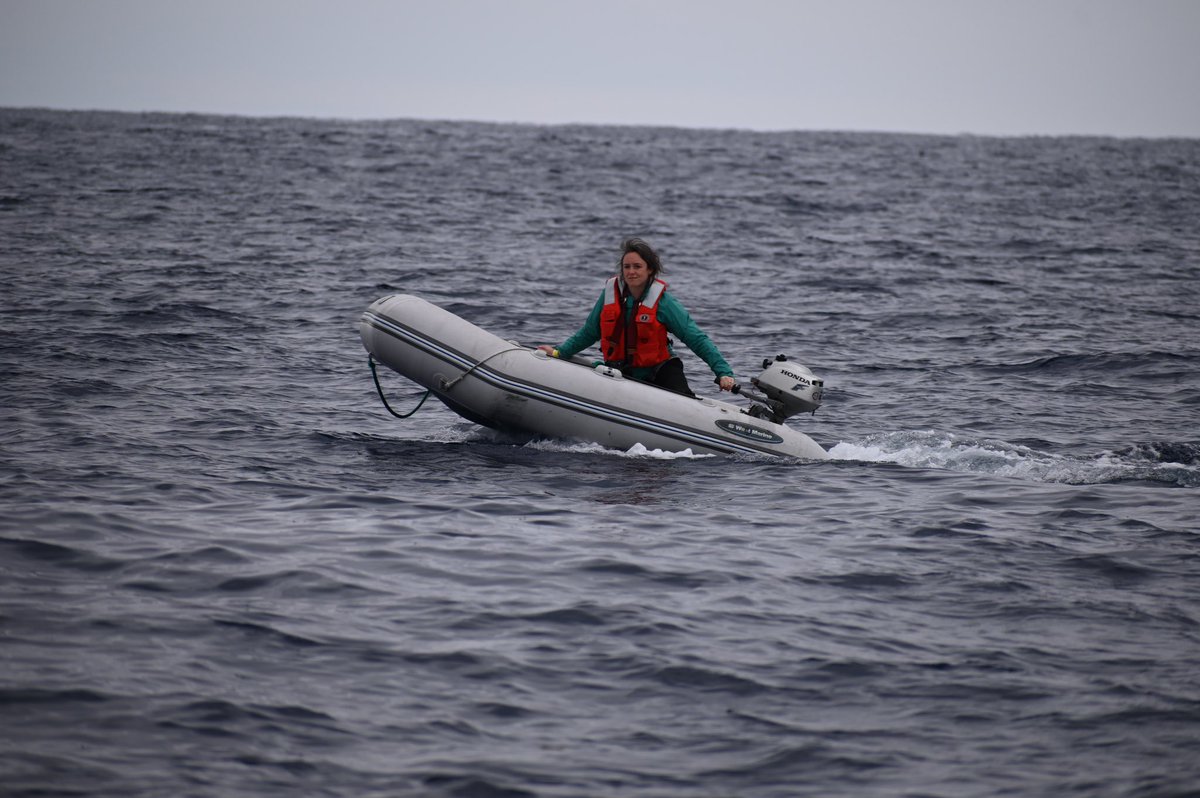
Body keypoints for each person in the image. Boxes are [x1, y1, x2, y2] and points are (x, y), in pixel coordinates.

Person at [538, 237, 737, 398]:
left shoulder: (664, 303)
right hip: (621, 372)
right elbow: (589, 332)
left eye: (637, 266)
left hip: (660, 370)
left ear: (649, 269)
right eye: (627, 267)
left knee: (683, 399)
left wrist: (723, 372)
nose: (631, 272)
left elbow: (696, 338)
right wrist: (558, 352)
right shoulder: (609, 296)